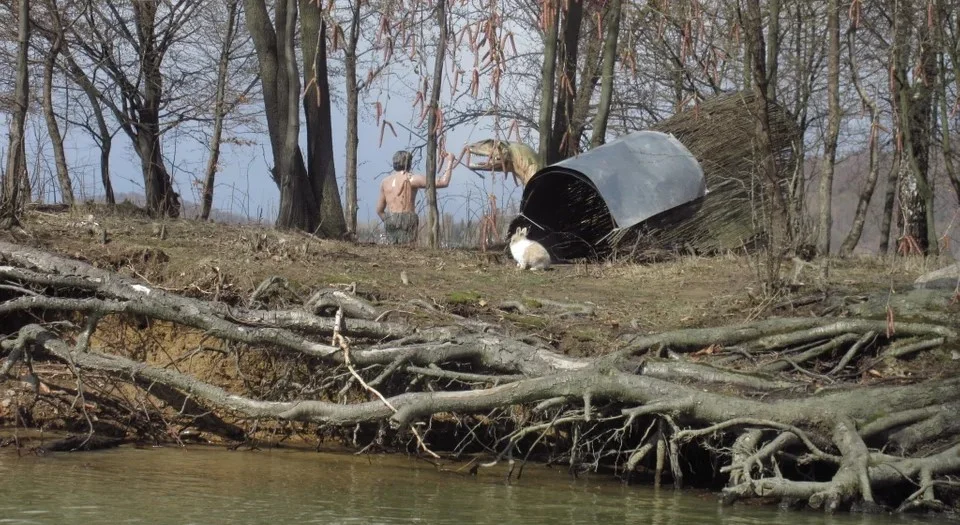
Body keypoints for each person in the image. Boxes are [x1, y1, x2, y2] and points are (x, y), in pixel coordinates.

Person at [376, 150, 456, 244]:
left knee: (392, 252)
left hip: (390, 217)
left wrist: (389, 220)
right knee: (408, 251)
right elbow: (443, 182)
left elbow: (379, 210)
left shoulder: (385, 182)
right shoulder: (411, 179)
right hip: (407, 218)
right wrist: (450, 161)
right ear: (409, 163)